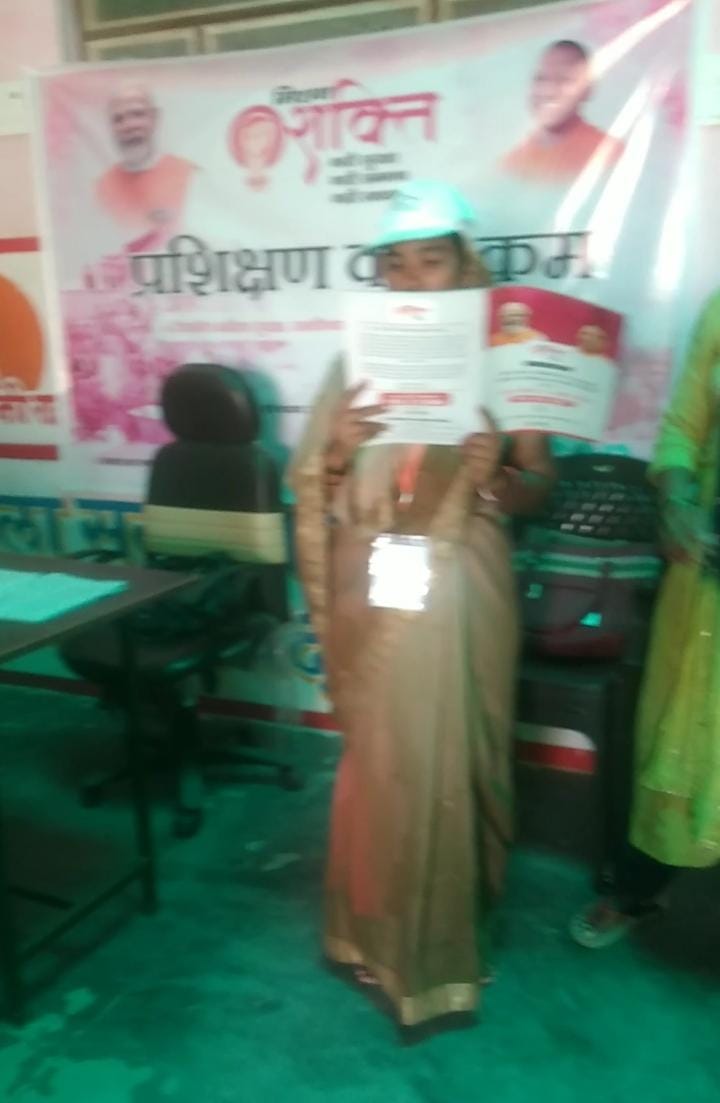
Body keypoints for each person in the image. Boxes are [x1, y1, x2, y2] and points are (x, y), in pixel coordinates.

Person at [290, 180, 556, 1026]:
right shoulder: (355, 361)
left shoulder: (509, 358)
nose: (409, 279)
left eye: (430, 261)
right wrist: (337, 450)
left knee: (452, 758)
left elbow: (537, 485)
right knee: (382, 760)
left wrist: (495, 474)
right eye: (394, 264)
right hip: (372, 579)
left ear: (465, 265)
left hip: (462, 581)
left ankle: (442, 950)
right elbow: (312, 481)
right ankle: (367, 931)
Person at [570, 292, 720, 948]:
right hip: (705, 566)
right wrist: (677, 497)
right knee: (677, 732)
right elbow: (685, 424)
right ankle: (640, 889)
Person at [501, 40, 623, 183]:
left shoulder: (610, 154)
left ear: (588, 90)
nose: (547, 91)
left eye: (563, 80)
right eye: (540, 79)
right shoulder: (513, 163)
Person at [96, 84, 195, 242]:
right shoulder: (102, 187)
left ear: (155, 118)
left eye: (137, 114)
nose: (129, 126)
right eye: (118, 119)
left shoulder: (191, 176)